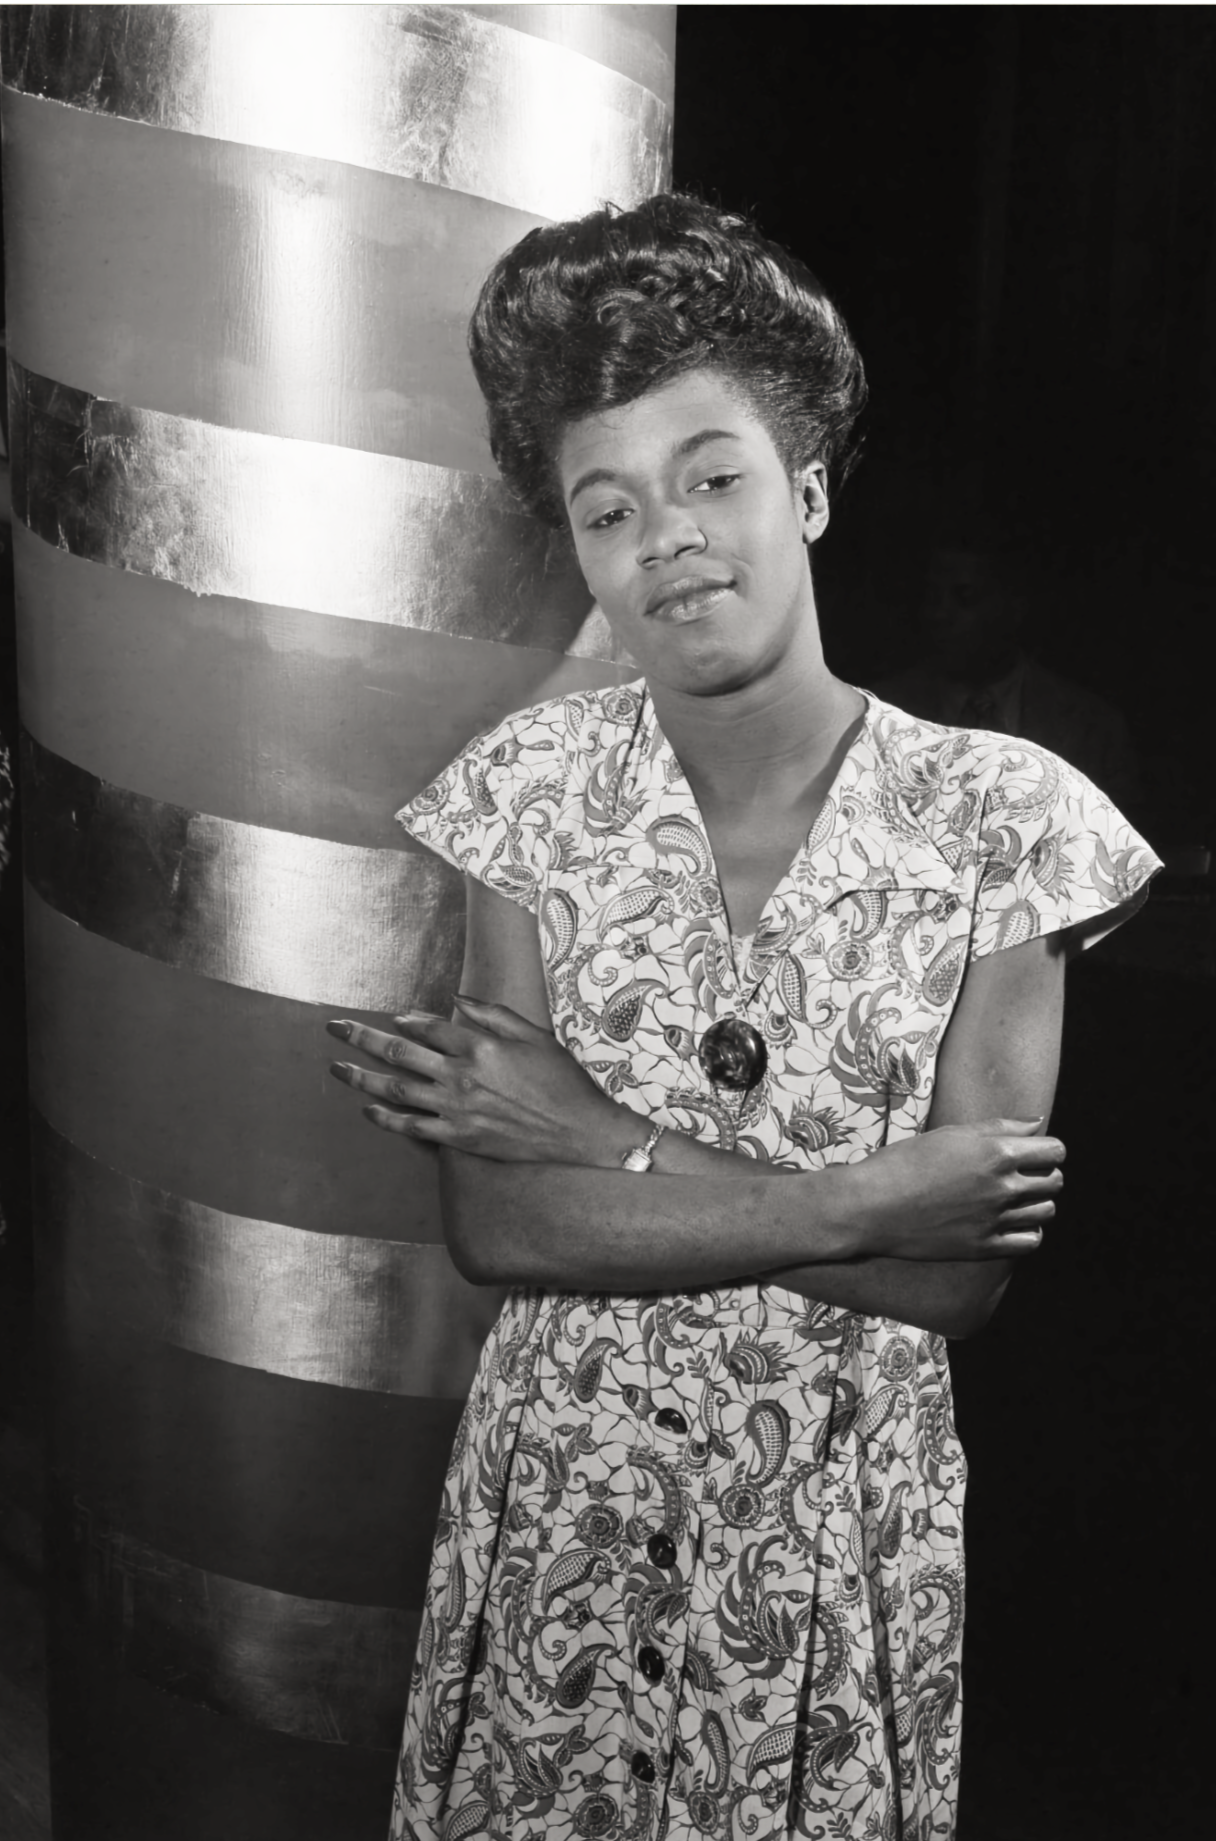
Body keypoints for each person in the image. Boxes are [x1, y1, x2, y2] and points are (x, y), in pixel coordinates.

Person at [326, 195, 1160, 1841]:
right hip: (561, 1493)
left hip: (833, 1519)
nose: (669, 540)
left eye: (712, 476)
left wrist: (597, 1132)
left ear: (813, 488)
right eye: (608, 505)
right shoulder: (528, 796)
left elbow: (952, 1275)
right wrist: (853, 1195)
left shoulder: (1008, 820)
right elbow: (499, 1225)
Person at [874, 536, 1144, 819]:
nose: (939, 614)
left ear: (1015, 605)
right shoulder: (882, 716)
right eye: (932, 597)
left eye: (965, 598)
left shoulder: (1091, 727)